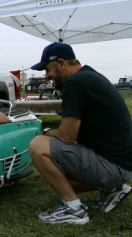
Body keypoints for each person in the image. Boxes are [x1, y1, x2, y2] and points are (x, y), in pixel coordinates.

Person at [29, 42, 132, 224]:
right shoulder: (90, 76)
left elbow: (66, 137)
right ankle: (113, 189)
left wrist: (45, 131)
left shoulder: (75, 83)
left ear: (61, 63)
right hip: (123, 165)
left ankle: (74, 209)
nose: (47, 76)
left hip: (114, 167)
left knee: (38, 145)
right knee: (59, 170)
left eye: (48, 69)